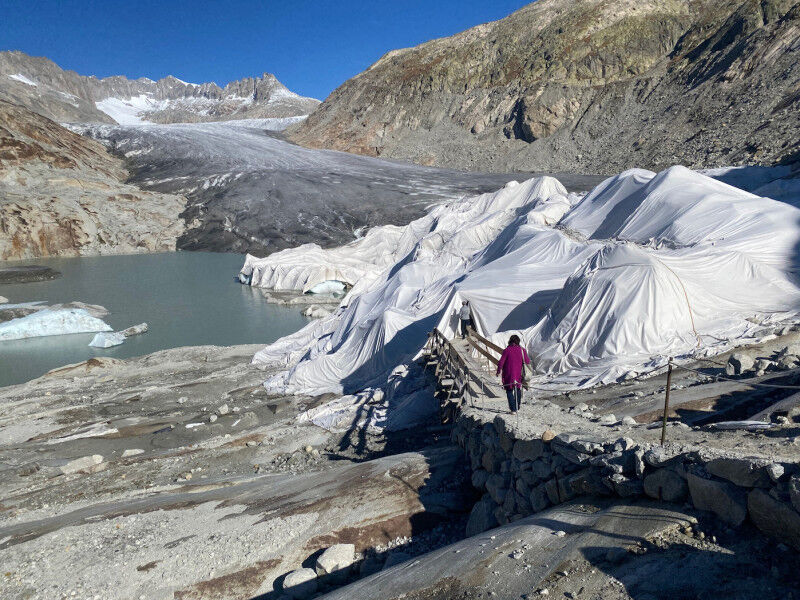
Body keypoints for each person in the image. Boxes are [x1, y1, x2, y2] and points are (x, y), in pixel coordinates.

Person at [496, 335, 531, 414]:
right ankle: (517, 406)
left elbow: (501, 362)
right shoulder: (522, 350)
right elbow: (527, 361)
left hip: (508, 374)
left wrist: (498, 371)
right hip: (518, 374)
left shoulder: (507, 350)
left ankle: (513, 409)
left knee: (509, 390)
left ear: (510, 341)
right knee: (517, 389)